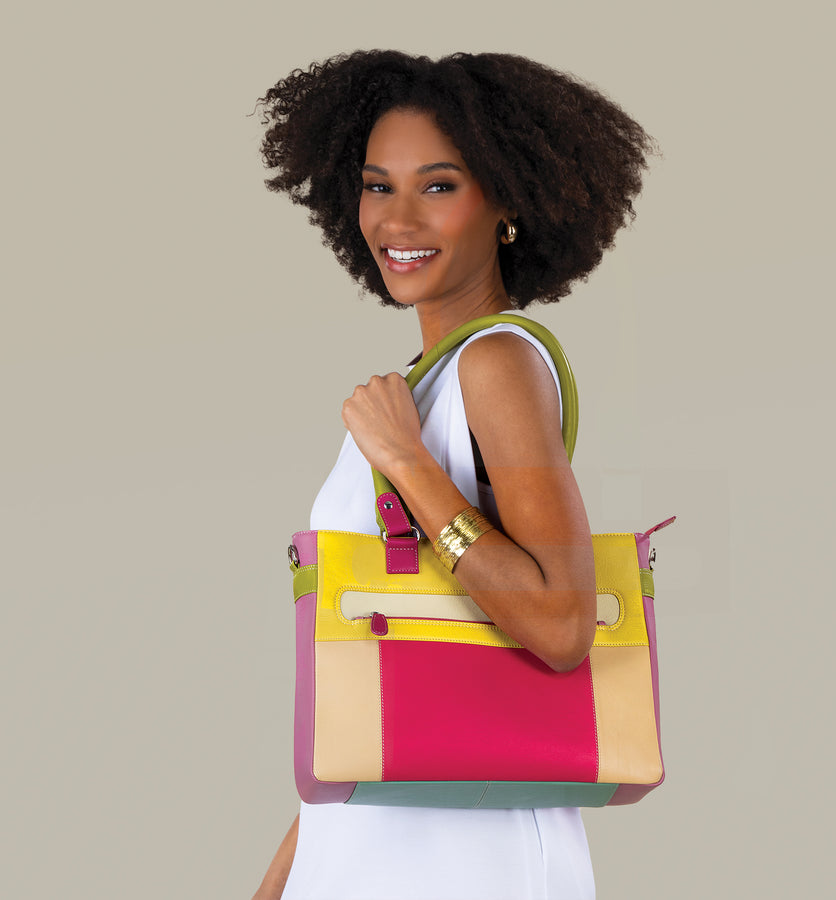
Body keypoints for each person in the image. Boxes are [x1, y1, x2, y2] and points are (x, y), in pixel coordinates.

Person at [253, 50, 653, 900]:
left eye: (438, 186)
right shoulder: (422, 387)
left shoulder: (496, 363)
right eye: (377, 186)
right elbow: (361, 703)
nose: (397, 219)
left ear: (507, 202)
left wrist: (408, 464)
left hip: (467, 862)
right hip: (361, 851)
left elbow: (561, 623)